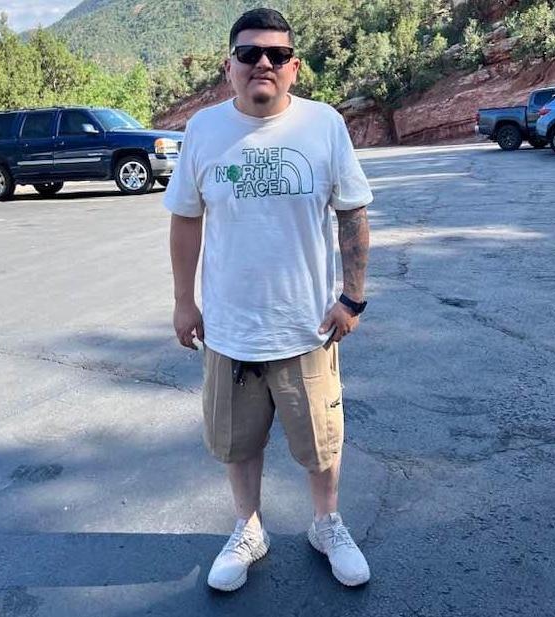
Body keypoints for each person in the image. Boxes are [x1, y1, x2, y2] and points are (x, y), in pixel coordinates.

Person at [163, 7, 372, 591]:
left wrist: (353, 298)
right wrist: (183, 301)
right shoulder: (203, 129)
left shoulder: (324, 124)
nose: (263, 63)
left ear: (294, 68)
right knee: (237, 442)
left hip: (307, 327)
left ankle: (326, 525)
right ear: (229, 65)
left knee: (322, 442)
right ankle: (248, 528)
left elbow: (352, 212)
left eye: (277, 55)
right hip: (229, 328)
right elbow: (185, 220)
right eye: (249, 53)